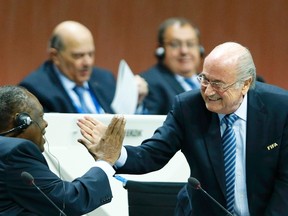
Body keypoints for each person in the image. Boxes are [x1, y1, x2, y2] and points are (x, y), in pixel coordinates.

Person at [78, 42, 288, 215]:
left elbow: (285, 181)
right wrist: (115, 154)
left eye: (218, 84)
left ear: (245, 84)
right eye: (204, 79)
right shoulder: (188, 107)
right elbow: (152, 154)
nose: (208, 91)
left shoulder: (280, 108)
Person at [0, 85, 125, 215]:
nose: (45, 124)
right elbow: (69, 201)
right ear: (22, 121)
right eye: (41, 116)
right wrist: (106, 160)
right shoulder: (14, 153)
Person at [19, 20, 148, 114]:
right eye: (78, 56)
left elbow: (126, 123)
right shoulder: (35, 89)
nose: (87, 63)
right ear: (55, 56)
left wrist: (135, 102)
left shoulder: (105, 79)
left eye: (90, 54)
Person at [140, 17, 204, 115]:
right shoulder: (150, 83)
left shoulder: (209, 81)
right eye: (175, 44)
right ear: (160, 50)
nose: (184, 51)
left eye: (190, 44)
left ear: (200, 49)